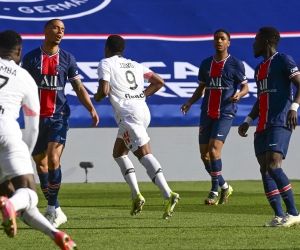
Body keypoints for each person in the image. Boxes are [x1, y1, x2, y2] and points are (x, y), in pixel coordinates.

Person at [0, 30, 77, 249]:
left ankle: (55, 234)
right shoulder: (24, 77)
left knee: (13, 196)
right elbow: (32, 127)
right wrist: (25, 153)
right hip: (7, 134)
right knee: (28, 195)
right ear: (19, 52)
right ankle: (11, 205)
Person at [22, 19, 99, 227]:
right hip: (35, 119)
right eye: (56, 28)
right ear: (46, 30)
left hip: (59, 117)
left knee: (54, 160)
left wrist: (90, 108)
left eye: (63, 29)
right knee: (40, 163)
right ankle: (56, 208)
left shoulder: (67, 59)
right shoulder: (30, 58)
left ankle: (50, 210)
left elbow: (78, 87)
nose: (60, 32)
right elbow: (21, 87)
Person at [94, 35, 180, 219]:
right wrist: (140, 96)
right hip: (142, 111)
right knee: (119, 153)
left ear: (107, 48)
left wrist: (98, 96)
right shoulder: (134, 64)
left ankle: (168, 194)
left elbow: (105, 90)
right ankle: (136, 195)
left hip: (128, 114)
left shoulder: (106, 63)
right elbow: (159, 82)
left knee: (144, 153)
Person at [238, 26, 300, 227]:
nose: (253, 44)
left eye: (256, 40)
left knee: (274, 165)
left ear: (266, 42)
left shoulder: (283, 60)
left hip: (281, 120)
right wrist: (248, 120)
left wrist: (294, 107)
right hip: (262, 124)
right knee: (265, 169)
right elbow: (261, 98)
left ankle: (294, 214)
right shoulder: (259, 69)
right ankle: (279, 216)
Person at [181, 29, 249, 205]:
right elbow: (201, 88)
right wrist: (189, 102)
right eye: (216, 38)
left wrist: (238, 96)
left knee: (213, 151)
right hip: (207, 112)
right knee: (205, 156)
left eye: (222, 39)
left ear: (228, 43)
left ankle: (213, 192)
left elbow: (245, 88)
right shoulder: (205, 64)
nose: (219, 41)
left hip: (225, 112)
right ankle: (224, 186)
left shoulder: (236, 64)